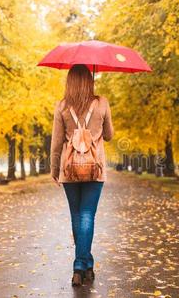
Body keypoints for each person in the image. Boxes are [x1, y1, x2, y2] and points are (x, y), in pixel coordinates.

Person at [50, 64, 114, 287]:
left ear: (70, 81)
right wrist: (98, 125)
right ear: (89, 81)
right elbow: (109, 135)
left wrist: (53, 169)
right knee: (87, 215)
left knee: (77, 216)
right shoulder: (102, 103)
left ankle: (83, 265)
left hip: (69, 169)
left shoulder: (62, 106)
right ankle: (82, 265)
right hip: (95, 169)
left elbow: (57, 142)